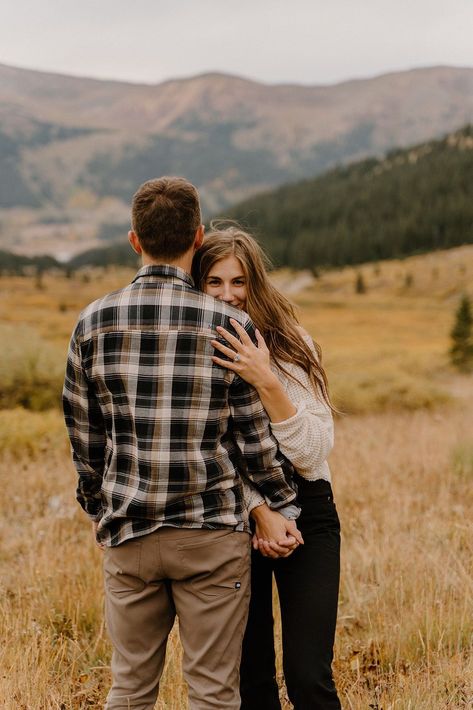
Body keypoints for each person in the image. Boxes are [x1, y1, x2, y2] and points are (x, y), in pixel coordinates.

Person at [62, 178, 304, 710]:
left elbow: (85, 437)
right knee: (214, 693)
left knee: (129, 689)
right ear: (197, 238)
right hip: (211, 536)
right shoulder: (229, 324)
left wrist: (101, 509)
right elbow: (252, 438)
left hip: (129, 532)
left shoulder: (92, 321)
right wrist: (280, 503)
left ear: (133, 240)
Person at [192, 224, 342, 710]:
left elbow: (314, 451)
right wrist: (260, 510)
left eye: (239, 282)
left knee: (307, 677)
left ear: (256, 282)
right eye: (214, 282)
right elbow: (210, 448)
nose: (228, 295)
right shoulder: (192, 351)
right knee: (250, 679)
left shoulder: (293, 343)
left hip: (310, 510)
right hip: (236, 517)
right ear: (198, 286)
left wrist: (266, 381)